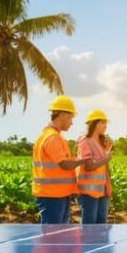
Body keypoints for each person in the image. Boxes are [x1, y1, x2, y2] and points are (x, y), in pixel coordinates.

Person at [32, 96, 89, 224]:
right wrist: (84, 160)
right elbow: (64, 164)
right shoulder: (52, 138)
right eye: (70, 118)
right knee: (51, 237)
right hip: (51, 196)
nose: (71, 122)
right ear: (62, 115)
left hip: (58, 194)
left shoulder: (54, 136)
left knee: (58, 236)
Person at [76, 109, 113, 224]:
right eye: (102, 123)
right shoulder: (85, 142)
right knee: (90, 227)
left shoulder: (102, 143)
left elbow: (104, 169)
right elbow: (89, 166)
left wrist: (108, 186)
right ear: (94, 124)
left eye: (106, 123)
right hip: (88, 192)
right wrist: (106, 158)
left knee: (101, 224)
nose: (105, 126)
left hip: (102, 191)